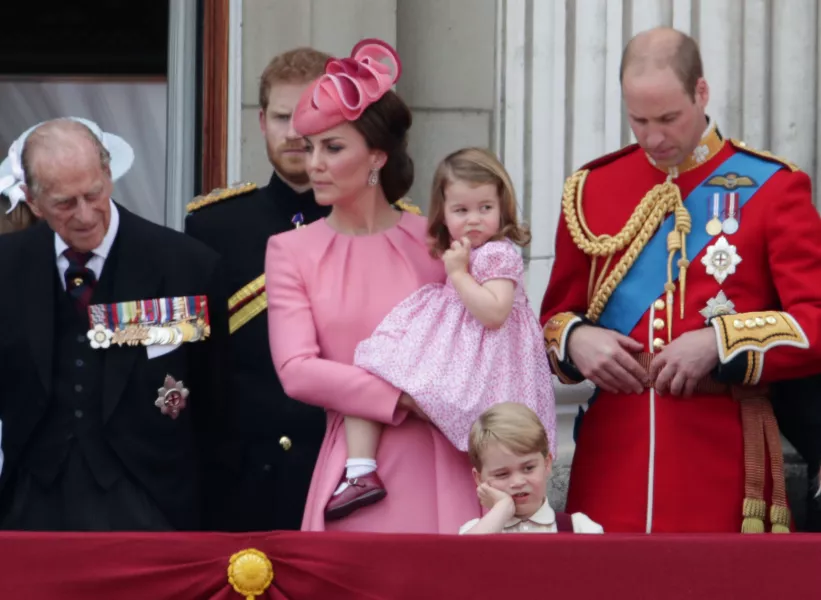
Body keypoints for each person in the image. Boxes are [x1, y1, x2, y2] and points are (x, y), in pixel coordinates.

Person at [540, 27, 821, 533]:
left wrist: (719, 343)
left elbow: (814, 322)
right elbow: (551, 319)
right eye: (638, 120)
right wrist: (578, 339)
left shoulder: (774, 188)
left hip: (723, 456)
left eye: (669, 118)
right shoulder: (591, 188)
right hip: (611, 455)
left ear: (702, 93)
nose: (653, 137)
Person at [265, 38, 481, 533]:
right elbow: (297, 370)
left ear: (377, 157)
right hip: (359, 472)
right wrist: (404, 400)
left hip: (444, 461)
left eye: (333, 147)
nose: (313, 162)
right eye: (310, 146)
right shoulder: (290, 250)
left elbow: (481, 341)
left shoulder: (435, 242)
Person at [0, 118, 228, 531]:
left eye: (94, 194)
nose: (86, 216)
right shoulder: (6, 266)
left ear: (108, 175)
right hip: (29, 507)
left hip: (151, 502)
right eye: (65, 203)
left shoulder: (185, 266)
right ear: (33, 202)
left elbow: (216, 402)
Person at [340, 147, 557, 521]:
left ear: (502, 206)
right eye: (461, 210)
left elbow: (494, 313)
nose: (474, 219)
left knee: (496, 439)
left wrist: (457, 274)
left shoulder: (498, 253)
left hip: (490, 364)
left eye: (485, 208)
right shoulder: (464, 250)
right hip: (463, 348)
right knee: (375, 363)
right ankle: (359, 468)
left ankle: (510, 513)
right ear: (443, 213)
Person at [184, 47, 332, 532]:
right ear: (262, 121)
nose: (294, 133)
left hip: (340, 471)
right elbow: (195, 357)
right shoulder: (212, 225)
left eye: (309, 117)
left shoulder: (379, 225)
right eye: (283, 117)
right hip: (241, 481)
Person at [459, 402, 601, 534]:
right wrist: (503, 507)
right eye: (502, 474)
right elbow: (462, 557)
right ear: (479, 478)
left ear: (547, 464)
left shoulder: (580, 528)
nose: (518, 482)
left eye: (528, 468)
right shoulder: (474, 530)